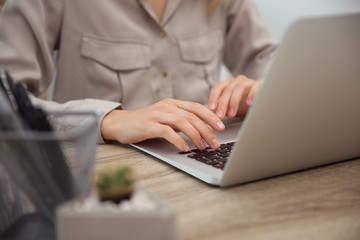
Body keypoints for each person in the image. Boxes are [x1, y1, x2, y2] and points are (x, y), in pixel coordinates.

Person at [0, 0, 276, 152]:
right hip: (102, 184)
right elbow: (6, 99)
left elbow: (267, 60)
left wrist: (258, 91)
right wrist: (108, 120)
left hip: (205, 159)